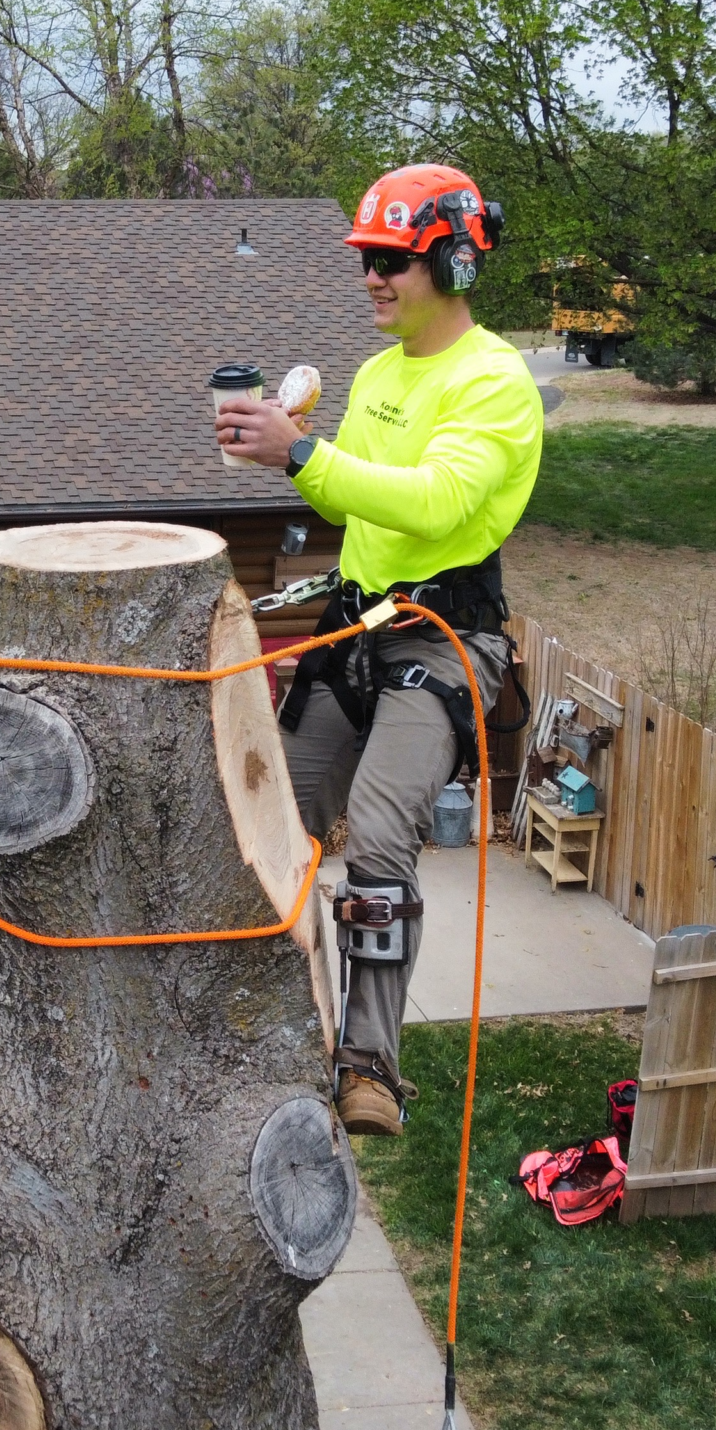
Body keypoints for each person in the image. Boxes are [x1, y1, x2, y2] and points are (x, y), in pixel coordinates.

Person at [214, 163, 541, 1137]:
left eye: (390, 261)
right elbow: (351, 497)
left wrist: (303, 453)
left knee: (382, 827)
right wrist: (297, 451)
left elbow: (438, 502)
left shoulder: (493, 382)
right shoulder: (377, 374)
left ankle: (367, 1064)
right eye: (366, 260)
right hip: (355, 631)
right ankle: (259, 1025)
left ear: (446, 257)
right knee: (270, 820)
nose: (371, 278)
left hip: (442, 642)